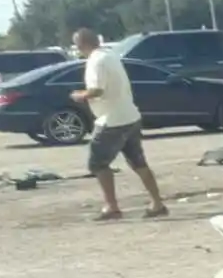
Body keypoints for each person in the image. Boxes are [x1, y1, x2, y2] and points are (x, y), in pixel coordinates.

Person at [70, 27, 166, 220]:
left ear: (81, 45)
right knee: (138, 162)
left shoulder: (96, 61)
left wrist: (79, 96)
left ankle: (111, 206)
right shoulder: (111, 56)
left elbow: (97, 90)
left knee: (97, 164)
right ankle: (157, 203)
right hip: (130, 116)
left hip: (111, 120)